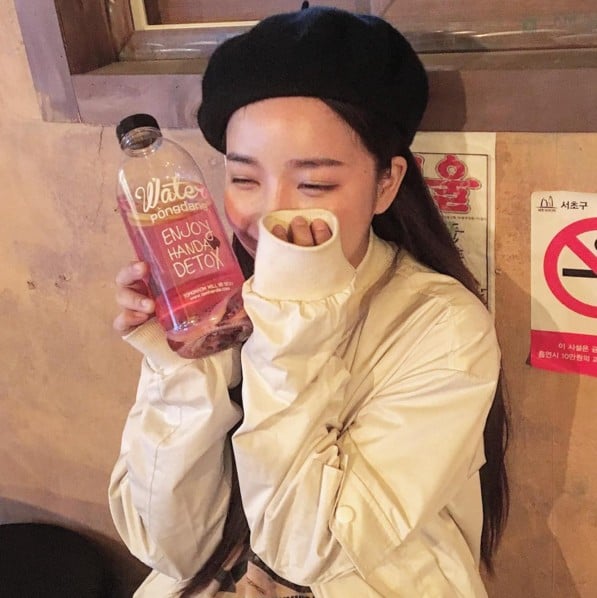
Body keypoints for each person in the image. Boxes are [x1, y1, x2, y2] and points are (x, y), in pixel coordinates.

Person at [109, 5, 509, 598]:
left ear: (387, 183)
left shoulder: (443, 327)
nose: (272, 216)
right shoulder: (225, 303)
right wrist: (185, 365)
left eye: (315, 184)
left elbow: (302, 553)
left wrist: (291, 328)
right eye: (244, 179)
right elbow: (170, 546)